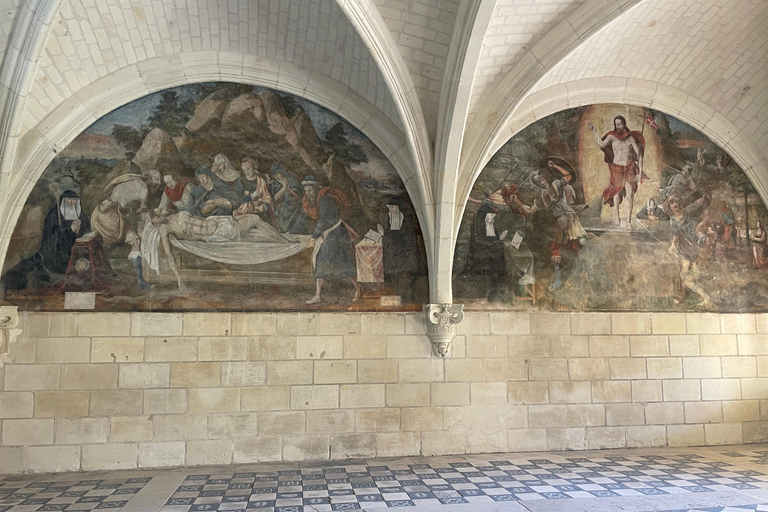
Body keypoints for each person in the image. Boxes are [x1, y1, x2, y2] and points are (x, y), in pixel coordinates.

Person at [151, 211, 289, 293]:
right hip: (217, 233)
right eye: (156, 216)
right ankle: (285, 243)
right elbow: (169, 254)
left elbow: (201, 218)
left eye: (158, 213)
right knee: (254, 219)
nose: (159, 213)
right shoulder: (165, 230)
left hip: (219, 221)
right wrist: (178, 277)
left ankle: (283, 240)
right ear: (155, 222)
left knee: (255, 228)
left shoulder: (178, 214)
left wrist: (224, 217)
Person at [291, 176, 361, 305]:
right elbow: (302, 219)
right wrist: (290, 233)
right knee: (326, 260)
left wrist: (314, 237)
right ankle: (318, 295)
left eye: (310, 190)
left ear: (316, 188)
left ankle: (358, 288)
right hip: (327, 234)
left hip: (337, 233)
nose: (308, 193)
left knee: (339, 261)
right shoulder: (307, 201)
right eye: (306, 190)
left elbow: (324, 221)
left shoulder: (325, 200)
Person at [588, 115, 646, 227]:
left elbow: (640, 156)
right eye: (616, 124)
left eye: (620, 123)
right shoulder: (611, 137)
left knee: (630, 193)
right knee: (616, 193)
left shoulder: (630, 138)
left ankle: (628, 221)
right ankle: (616, 219)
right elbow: (601, 144)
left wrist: (640, 171)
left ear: (624, 124)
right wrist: (595, 132)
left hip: (629, 167)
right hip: (617, 168)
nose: (618, 126)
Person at [90, 199, 151, 290]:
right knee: (136, 242)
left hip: (109, 231)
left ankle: (140, 280)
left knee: (136, 242)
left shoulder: (97, 212)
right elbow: (124, 212)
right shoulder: (113, 206)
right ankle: (140, 280)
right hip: (116, 228)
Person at [667, 195, 712, 307]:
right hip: (684, 246)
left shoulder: (686, 211)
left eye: (676, 202)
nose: (675, 204)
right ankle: (684, 294)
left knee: (688, 274)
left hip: (694, 242)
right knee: (683, 274)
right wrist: (672, 245)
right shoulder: (673, 220)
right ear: (669, 207)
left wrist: (703, 198)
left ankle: (701, 294)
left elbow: (695, 204)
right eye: (671, 203)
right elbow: (676, 234)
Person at [377, 196, 423, 298]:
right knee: (391, 275)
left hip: (405, 254)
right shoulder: (391, 217)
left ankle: (406, 297)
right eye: (390, 208)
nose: (391, 210)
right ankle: (391, 295)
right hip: (395, 253)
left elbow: (403, 238)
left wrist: (384, 234)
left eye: (393, 207)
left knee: (403, 279)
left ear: (398, 208)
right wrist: (383, 233)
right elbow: (392, 233)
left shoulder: (404, 221)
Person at [39, 190, 91, 276]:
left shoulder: (80, 212)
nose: (71, 202)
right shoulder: (55, 213)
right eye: (69, 199)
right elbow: (51, 233)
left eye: (74, 200)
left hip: (76, 244)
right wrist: (69, 229)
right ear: (64, 200)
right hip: (59, 248)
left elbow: (86, 228)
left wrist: (79, 230)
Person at [234, 157, 273, 222]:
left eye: (248, 169)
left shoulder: (260, 180)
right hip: (245, 209)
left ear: (253, 167)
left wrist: (264, 206)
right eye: (244, 170)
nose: (246, 172)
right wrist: (251, 197)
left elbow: (266, 196)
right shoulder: (240, 181)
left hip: (259, 209)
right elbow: (238, 197)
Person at [269, 163, 302, 232]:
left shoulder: (293, 181)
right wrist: (284, 188)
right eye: (274, 176)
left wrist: (287, 189)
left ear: (282, 172)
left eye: (277, 174)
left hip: (293, 209)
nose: (276, 177)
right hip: (280, 211)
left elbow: (297, 198)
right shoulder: (273, 184)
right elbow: (274, 198)